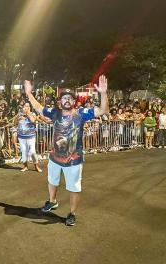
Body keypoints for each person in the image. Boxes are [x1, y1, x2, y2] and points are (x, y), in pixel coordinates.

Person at [24, 75, 109, 226]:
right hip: (54, 158)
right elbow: (38, 108)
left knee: (74, 187)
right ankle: (52, 202)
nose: (67, 100)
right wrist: (29, 93)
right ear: (60, 101)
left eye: (70, 98)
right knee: (52, 181)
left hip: (73, 160)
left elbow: (102, 110)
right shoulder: (55, 113)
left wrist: (103, 93)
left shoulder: (81, 113)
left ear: (74, 101)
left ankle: (72, 214)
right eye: (64, 98)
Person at [14, 102, 42, 172]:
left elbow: (33, 120)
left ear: (29, 107)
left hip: (31, 136)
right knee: (23, 151)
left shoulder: (32, 114)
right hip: (21, 137)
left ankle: (36, 166)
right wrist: (18, 115)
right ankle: (25, 166)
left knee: (32, 151)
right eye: (24, 106)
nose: (25, 108)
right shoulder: (20, 115)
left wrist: (27, 114)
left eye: (27, 106)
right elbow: (14, 123)